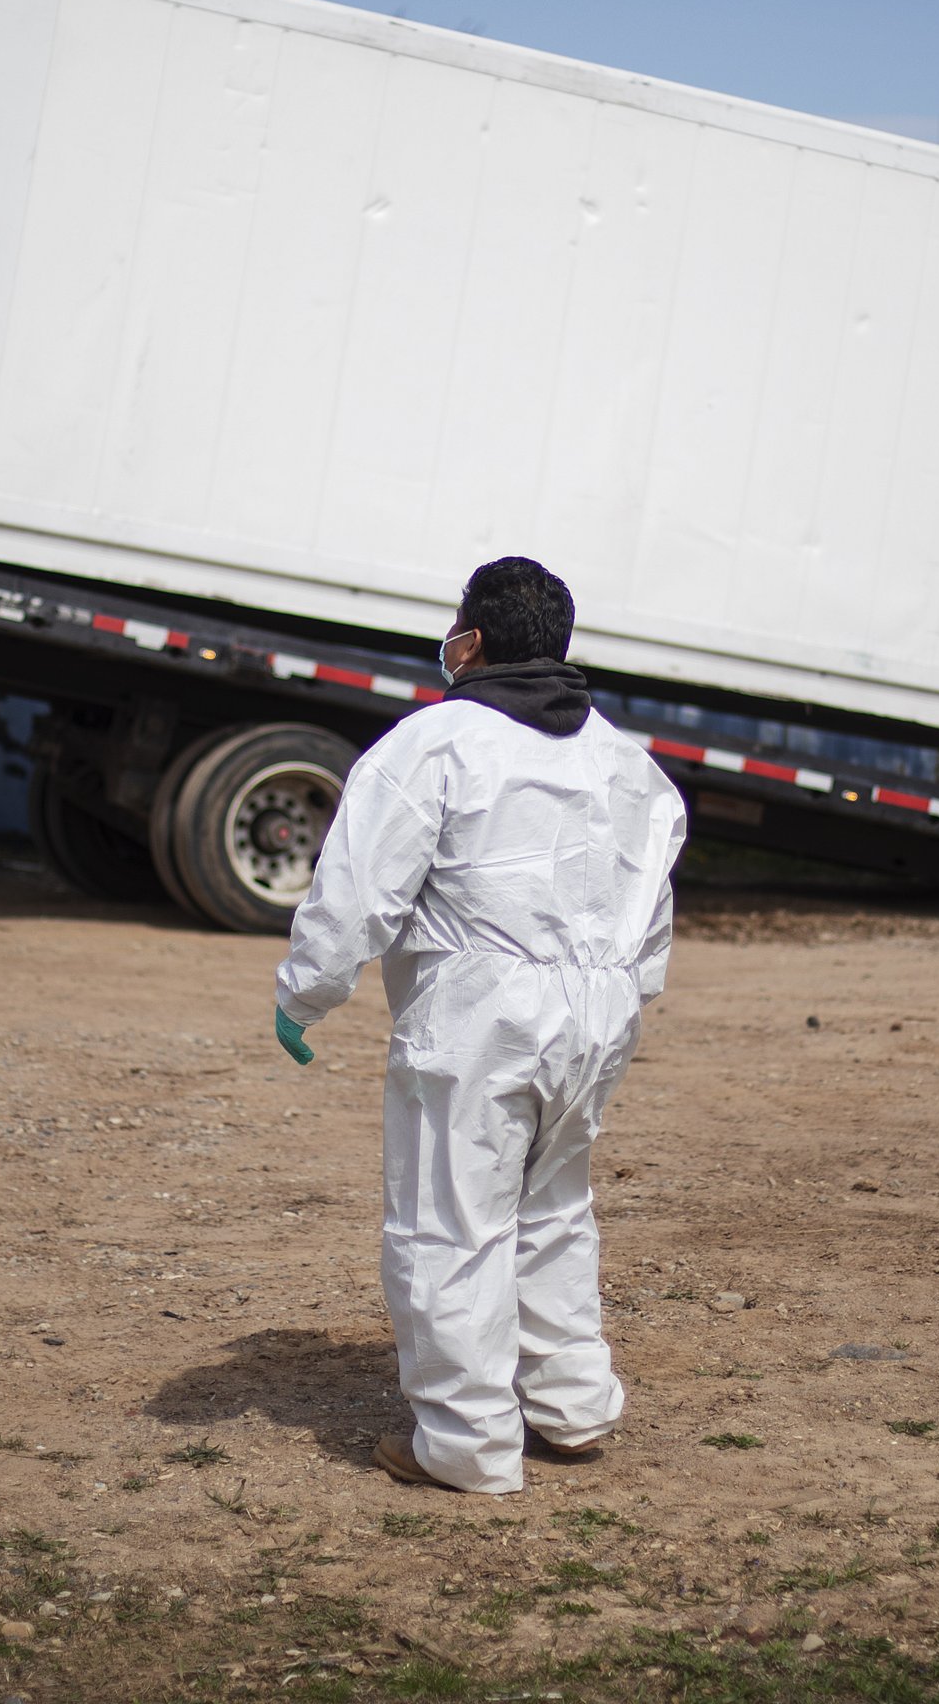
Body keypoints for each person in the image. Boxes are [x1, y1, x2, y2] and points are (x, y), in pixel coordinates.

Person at [272, 557, 689, 1494]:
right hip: (598, 1019)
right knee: (552, 1211)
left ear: (473, 639)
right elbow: (652, 915)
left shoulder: (434, 746)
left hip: (480, 1015)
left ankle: (465, 1445)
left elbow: (357, 896)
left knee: (449, 1222)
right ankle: (574, 1409)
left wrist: (306, 992)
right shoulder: (628, 762)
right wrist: (624, 1004)